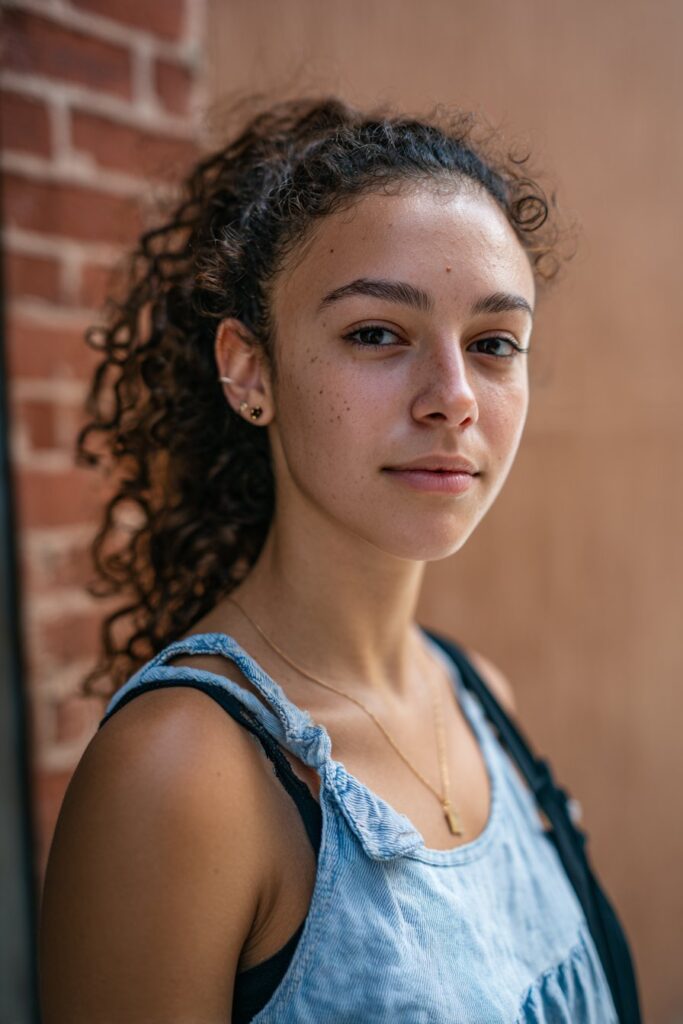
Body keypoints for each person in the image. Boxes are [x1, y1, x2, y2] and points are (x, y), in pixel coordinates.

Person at [38, 96, 636, 1023]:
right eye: (375, 334)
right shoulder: (184, 777)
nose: (452, 398)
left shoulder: (479, 700)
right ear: (248, 370)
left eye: (491, 345)